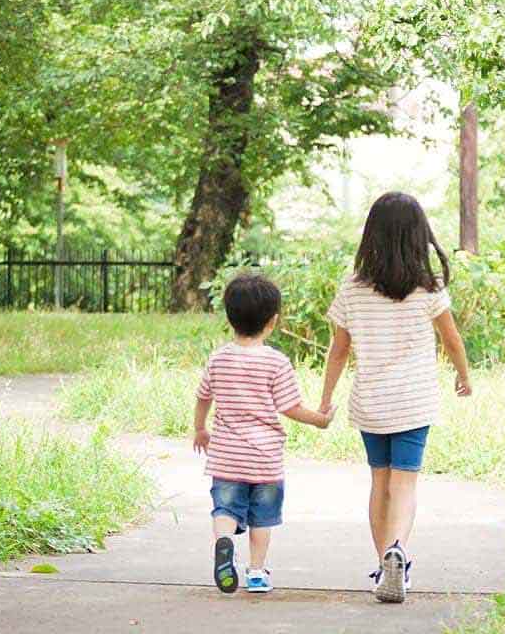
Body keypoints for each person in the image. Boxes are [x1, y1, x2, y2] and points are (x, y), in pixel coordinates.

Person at [319, 192, 472, 604]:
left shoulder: (352, 288)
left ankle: (383, 563)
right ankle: (397, 552)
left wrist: (325, 398)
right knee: (405, 484)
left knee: (379, 482)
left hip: (371, 401)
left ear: (372, 235)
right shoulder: (427, 288)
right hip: (414, 401)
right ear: (417, 235)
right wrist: (463, 376)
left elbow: (338, 350)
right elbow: (452, 339)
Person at [193, 272, 335, 595]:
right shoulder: (276, 362)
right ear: (272, 322)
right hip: (265, 460)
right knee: (262, 518)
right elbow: (290, 407)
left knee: (225, 510)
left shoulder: (219, 359)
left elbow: (203, 396)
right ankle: (256, 572)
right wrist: (320, 420)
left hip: (227, 457)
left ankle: (225, 543)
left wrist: (200, 428)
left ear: (230, 319)